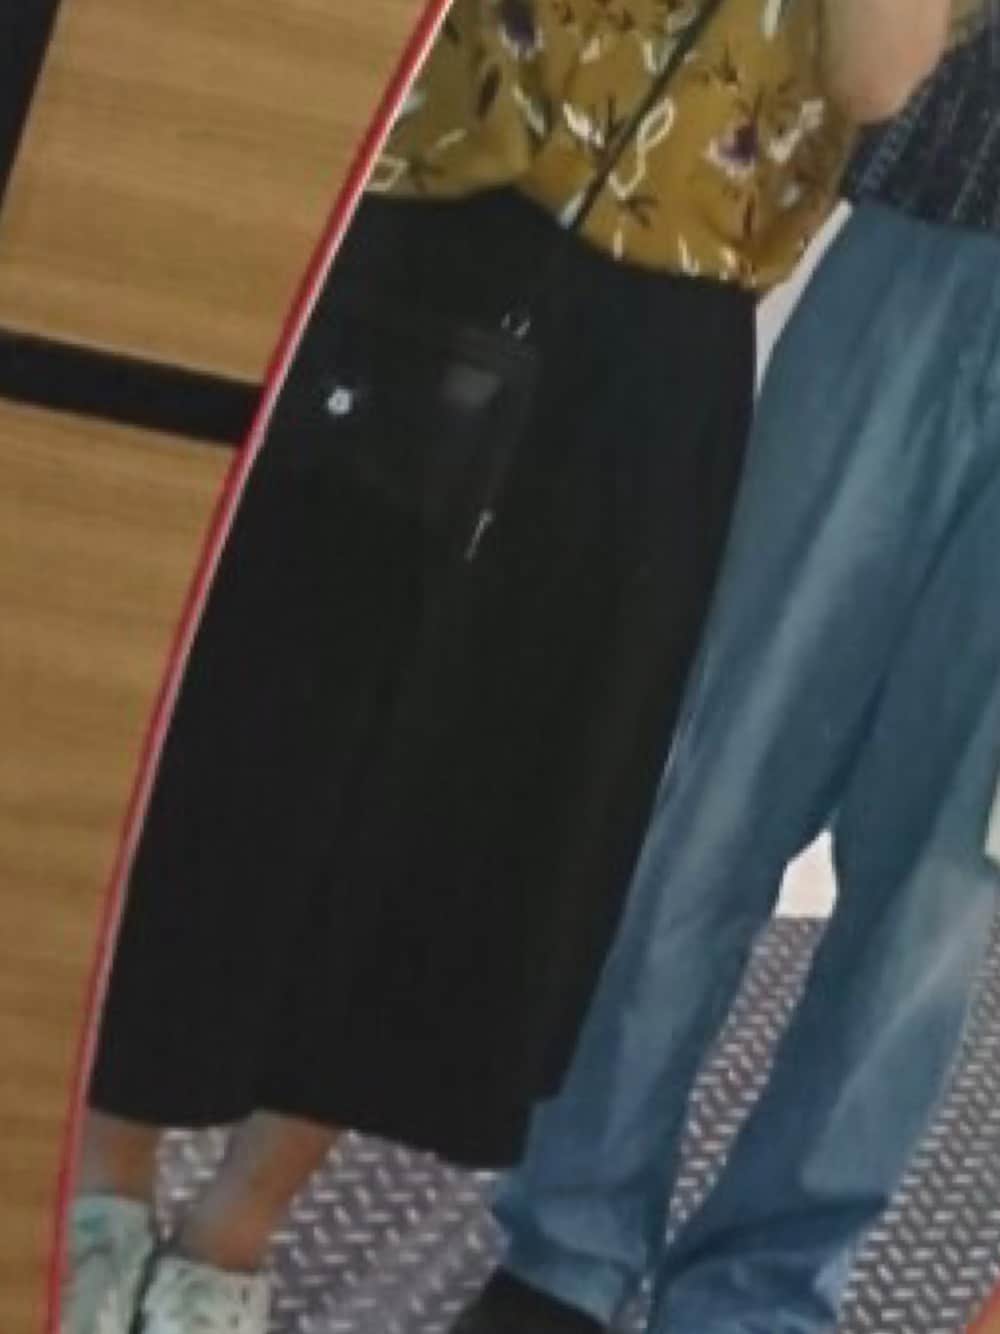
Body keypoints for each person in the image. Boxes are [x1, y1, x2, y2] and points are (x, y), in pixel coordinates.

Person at [62, 3, 946, 1333]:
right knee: (251, 737)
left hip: (666, 319)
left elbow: (874, 77)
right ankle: (98, 1185)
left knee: (480, 810)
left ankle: (236, 1234)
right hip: (418, 209)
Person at [452, 11, 1000, 1334]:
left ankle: (764, 1295)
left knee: (942, 876)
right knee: (715, 778)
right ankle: (567, 1247)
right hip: (929, 236)